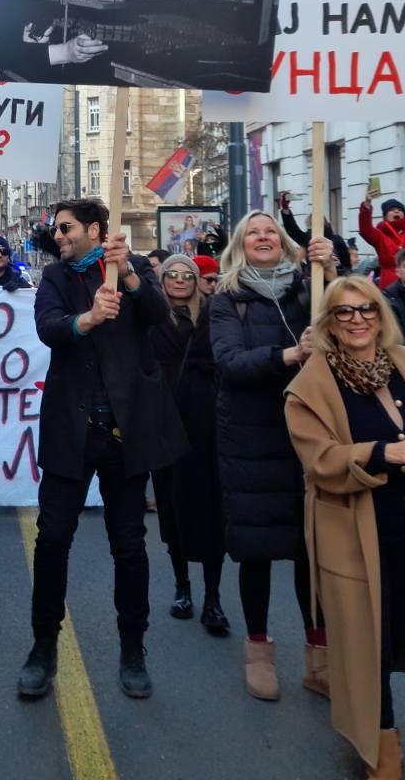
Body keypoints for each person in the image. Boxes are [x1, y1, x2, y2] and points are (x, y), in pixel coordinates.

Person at [285, 275, 405, 778]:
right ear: (329, 323)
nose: (358, 320)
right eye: (344, 312)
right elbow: (320, 460)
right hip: (352, 535)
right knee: (367, 646)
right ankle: (382, 745)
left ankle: (379, 725)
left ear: (381, 315)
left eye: (366, 309)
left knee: (403, 630)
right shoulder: (311, 384)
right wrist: (386, 452)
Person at [18, 199, 186, 701]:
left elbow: (158, 316)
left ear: (94, 229)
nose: (58, 236)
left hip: (124, 433)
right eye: (56, 229)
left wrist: (130, 278)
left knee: (129, 545)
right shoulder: (56, 278)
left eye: (66, 228)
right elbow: (49, 327)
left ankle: (133, 649)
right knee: (53, 541)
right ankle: (42, 647)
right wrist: (88, 319)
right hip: (71, 432)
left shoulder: (131, 269)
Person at [210, 210, 336, 702]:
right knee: (257, 548)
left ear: (285, 244)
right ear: (241, 246)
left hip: (310, 435)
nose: (263, 237)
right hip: (251, 438)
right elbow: (229, 362)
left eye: (271, 232)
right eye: (253, 233)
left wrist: (333, 269)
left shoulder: (311, 289)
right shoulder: (227, 299)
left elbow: (356, 321)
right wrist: (290, 355)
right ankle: (258, 652)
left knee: (312, 550)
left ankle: (319, 656)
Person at [149, 254, 229, 633]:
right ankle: (183, 587)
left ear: (198, 281)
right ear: (162, 279)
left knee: (211, 512)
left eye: (188, 275)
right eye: (172, 274)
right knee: (172, 509)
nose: (180, 280)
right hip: (165, 423)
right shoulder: (152, 318)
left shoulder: (214, 316)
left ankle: (213, 597)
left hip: (207, 425)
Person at [278, 193, 353, 274]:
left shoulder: (310, 239)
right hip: (319, 278)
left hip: (331, 277)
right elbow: (293, 230)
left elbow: (293, 231)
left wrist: (285, 208)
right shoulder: (310, 239)